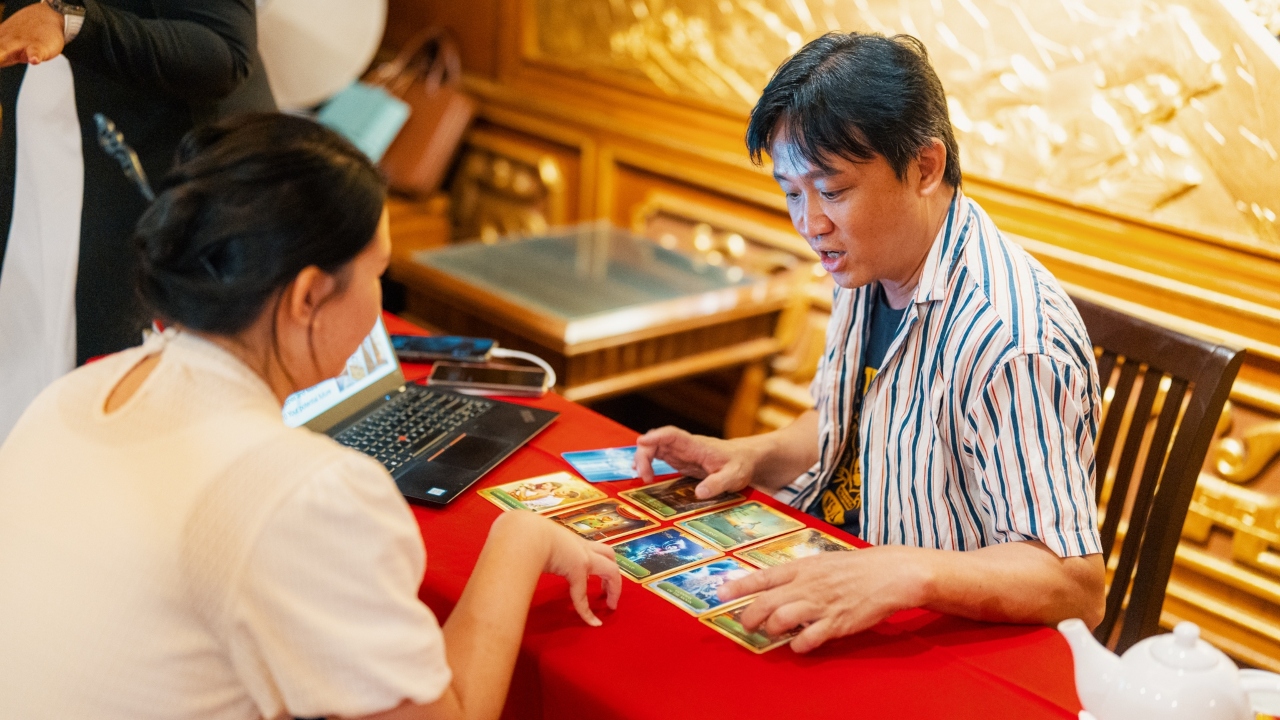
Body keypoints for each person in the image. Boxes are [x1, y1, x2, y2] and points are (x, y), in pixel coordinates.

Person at [0, 113, 621, 720]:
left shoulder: (71, 395)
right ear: (308, 297)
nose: (381, 304)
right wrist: (521, 538)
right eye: (379, 273)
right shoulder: (308, 492)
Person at [635, 32, 1105, 653]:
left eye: (832, 191)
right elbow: (856, 422)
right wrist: (756, 453)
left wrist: (905, 570)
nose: (811, 225)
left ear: (925, 168)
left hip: (939, 638)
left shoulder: (1010, 340)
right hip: (838, 566)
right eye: (791, 193)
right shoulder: (870, 256)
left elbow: (1074, 584)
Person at [0, 0, 276, 442]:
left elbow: (225, 52)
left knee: (126, 391)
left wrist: (71, 22)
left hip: (150, 161)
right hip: (43, 141)